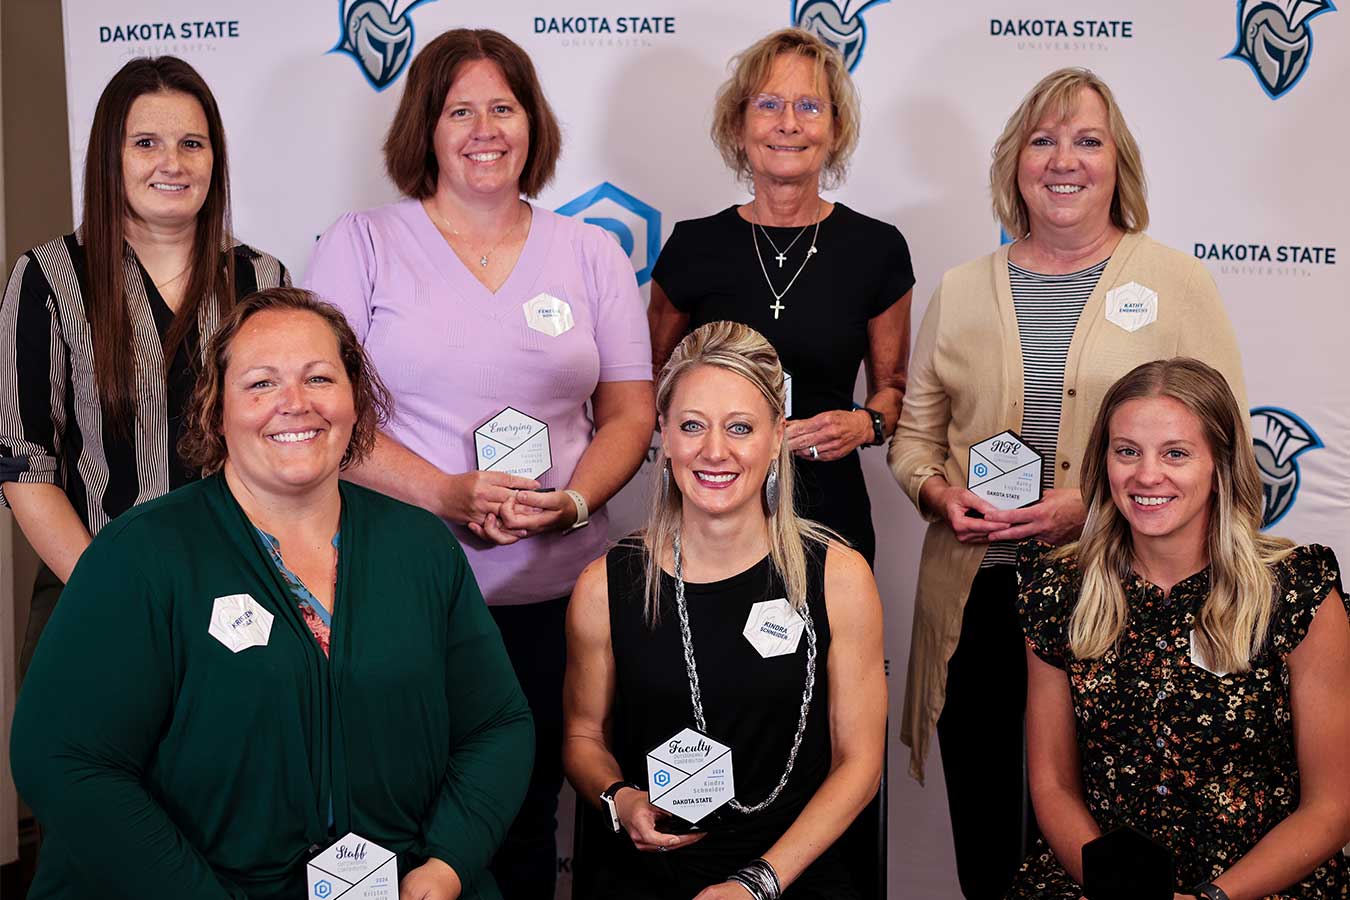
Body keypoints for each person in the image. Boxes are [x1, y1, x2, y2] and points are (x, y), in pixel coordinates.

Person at [10, 287, 534, 900]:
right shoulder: (142, 555)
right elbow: (64, 760)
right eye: (260, 384)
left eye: (319, 378)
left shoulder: (421, 548)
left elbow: (497, 724)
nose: (295, 404)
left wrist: (446, 868)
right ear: (216, 409)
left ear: (354, 399)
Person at [303, 28, 654, 899]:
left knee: (529, 815)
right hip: (400, 591)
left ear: (533, 124)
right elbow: (315, 406)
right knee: (403, 819)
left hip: (557, 595)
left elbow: (630, 411)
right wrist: (446, 493)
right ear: (426, 126)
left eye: (504, 107)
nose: (484, 128)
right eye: (461, 109)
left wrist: (571, 503)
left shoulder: (591, 252)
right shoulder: (361, 243)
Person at [887, 68, 1247, 900]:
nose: (1064, 160)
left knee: (1116, 839)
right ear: (1015, 162)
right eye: (1043, 141)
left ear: (1118, 162)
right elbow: (915, 442)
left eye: (1087, 141)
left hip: (1127, 598)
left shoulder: (1177, 284)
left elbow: (1223, 445)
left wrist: (1086, 508)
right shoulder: (963, 288)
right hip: (980, 598)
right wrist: (944, 497)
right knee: (988, 825)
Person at [564, 321, 886, 900]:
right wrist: (619, 798)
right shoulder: (603, 586)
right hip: (649, 872)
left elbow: (860, 764)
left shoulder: (839, 576)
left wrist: (757, 883)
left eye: (740, 428)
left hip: (791, 874)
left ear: (775, 437)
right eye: (692, 426)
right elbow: (583, 735)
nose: (715, 452)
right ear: (663, 432)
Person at [1011, 357, 1350, 899]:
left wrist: (1213, 899)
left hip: (1264, 885)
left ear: (1221, 464)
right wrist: (1124, 890)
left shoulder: (1296, 592)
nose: (1147, 476)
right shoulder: (1058, 590)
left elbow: (1332, 806)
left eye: (1176, 453)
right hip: (1104, 882)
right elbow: (1053, 786)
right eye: (1127, 452)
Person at [0, 55, 289, 674]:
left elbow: (287, 444)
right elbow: (24, 461)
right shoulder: (48, 277)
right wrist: (111, 588)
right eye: (146, 143)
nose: (172, 163)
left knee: (232, 770)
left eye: (192, 143)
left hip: (239, 589)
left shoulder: (260, 280)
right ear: (112, 156)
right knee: (86, 768)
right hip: (92, 581)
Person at [646, 27, 913, 568]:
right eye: (769, 104)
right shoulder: (693, 246)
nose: (789, 123)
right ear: (738, 124)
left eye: (809, 106)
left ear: (835, 129)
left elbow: (895, 393)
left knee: (836, 648)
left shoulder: (877, 249)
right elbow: (651, 382)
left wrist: (864, 424)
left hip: (829, 509)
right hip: (711, 503)